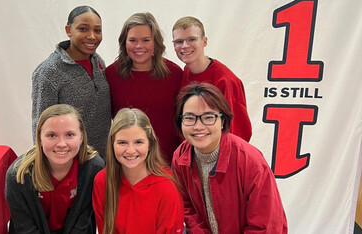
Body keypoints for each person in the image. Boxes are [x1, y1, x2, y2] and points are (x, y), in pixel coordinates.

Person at [172, 83, 287, 233]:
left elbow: (266, 225)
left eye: (208, 117)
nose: (198, 126)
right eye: (189, 118)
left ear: (223, 121)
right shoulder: (181, 157)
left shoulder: (250, 162)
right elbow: (186, 206)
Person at [5, 104, 104, 234]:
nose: (61, 144)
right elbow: (25, 229)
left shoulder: (93, 168)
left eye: (69, 134)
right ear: (39, 138)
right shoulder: (18, 176)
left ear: (81, 137)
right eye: (52, 135)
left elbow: (82, 224)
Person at [31, 5, 111, 159]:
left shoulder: (97, 61)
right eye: (83, 29)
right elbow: (40, 126)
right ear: (69, 30)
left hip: (103, 157)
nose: (92, 36)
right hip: (69, 161)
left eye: (97, 30)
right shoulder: (48, 72)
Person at [105, 12, 183, 165]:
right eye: (132, 40)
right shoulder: (111, 74)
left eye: (146, 40)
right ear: (124, 43)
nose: (139, 46)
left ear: (156, 42)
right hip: (128, 159)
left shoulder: (175, 74)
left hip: (167, 160)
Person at [92, 108, 184, 234]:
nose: (130, 150)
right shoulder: (102, 181)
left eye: (138, 142)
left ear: (150, 144)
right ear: (112, 144)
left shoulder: (167, 188)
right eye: (122, 142)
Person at [172, 16, 252, 142]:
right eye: (179, 41)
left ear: (204, 41)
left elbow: (238, 133)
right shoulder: (185, 72)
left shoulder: (226, 81)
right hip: (192, 154)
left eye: (192, 39)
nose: (185, 46)